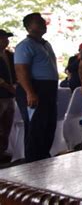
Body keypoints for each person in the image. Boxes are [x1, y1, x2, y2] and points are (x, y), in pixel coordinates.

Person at [14, 13, 58, 162]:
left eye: (42, 22)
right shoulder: (25, 45)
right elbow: (21, 70)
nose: (42, 24)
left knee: (48, 125)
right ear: (28, 27)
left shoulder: (46, 44)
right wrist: (30, 93)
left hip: (48, 89)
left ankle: (44, 158)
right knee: (35, 127)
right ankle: (32, 162)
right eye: (37, 22)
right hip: (34, 88)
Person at [0, 29, 16, 163]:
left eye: (6, 38)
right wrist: (6, 85)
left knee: (7, 124)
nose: (6, 41)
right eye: (3, 38)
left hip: (10, 95)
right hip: (2, 93)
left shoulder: (9, 55)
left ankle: (3, 151)